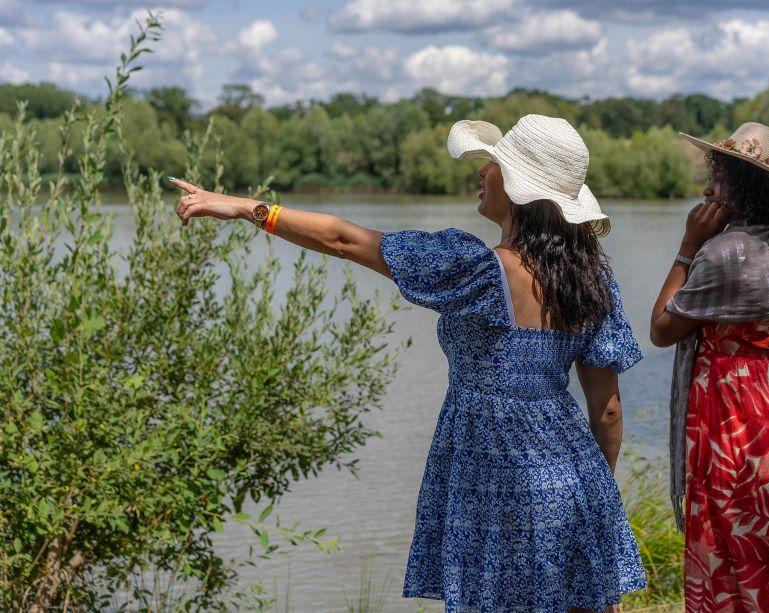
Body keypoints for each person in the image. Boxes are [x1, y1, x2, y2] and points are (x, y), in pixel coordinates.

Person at [170, 114, 646, 612]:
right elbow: (607, 409)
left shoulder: (478, 268)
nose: (482, 171)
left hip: (498, 476)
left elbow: (343, 240)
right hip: (575, 477)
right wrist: (595, 494)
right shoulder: (592, 282)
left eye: (495, 165)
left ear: (521, 189)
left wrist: (247, 208)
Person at [649, 123, 769, 611]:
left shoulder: (722, 254)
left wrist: (688, 245)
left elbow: (661, 328)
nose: (707, 188)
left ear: (742, 184)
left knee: (732, 528)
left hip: (731, 410)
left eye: (719, 176)